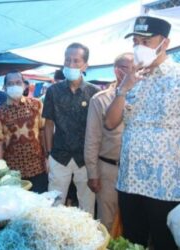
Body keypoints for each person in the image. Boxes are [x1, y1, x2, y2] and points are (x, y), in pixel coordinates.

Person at [105, 16, 179, 249]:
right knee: (131, 242)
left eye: (146, 41)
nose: (140, 47)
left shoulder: (178, 77)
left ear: (164, 43)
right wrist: (124, 89)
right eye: (136, 41)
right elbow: (110, 123)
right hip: (129, 181)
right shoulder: (133, 78)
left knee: (164, 243)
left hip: (166, 185)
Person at [43, 42, 99, 215]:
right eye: (68, 60)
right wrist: (48, 154)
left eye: (76, 61)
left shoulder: (94, 92)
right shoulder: (53, 91)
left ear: (85, 65)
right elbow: (48, 124)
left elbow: (98, 129)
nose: (71, 64)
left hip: (85, 159)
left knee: (87, 206)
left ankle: (86, 240)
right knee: (54, 205)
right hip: (59, 156)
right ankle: (52, 238)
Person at [84, 52, 134, 232]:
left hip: (136, 171)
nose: (138, 73)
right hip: (109, 170)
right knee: (108, 221)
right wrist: (92, 173)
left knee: (134, 223)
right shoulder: (101, 99)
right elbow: (92, 139)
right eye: (132, 69)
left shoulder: (145, 96)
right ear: (118, 72)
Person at [0, 71, 48, 193]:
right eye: (10, 84)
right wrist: (0, 169)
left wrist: (48, 158)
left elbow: (44, 132)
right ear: (4, 87)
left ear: (24, 85)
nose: (14, 86)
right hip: (13, 171)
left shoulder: (36, 105)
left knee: (39, 204)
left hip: (38, 167)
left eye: (18, 82)